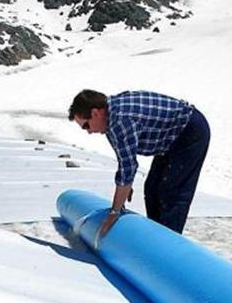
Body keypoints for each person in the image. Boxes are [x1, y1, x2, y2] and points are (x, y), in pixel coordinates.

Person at [69, 88, 210, 237]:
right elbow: (124, 156)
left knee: (171, 192)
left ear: (96, 113)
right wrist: (125, 186)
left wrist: (114, 212)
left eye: (86, 125)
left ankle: (168, 243)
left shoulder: (120, 120)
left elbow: (128, 167)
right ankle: (156, 236)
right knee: (152, 188)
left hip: (189, 131)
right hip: (170, 137)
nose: (89, 132)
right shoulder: (110, 118)